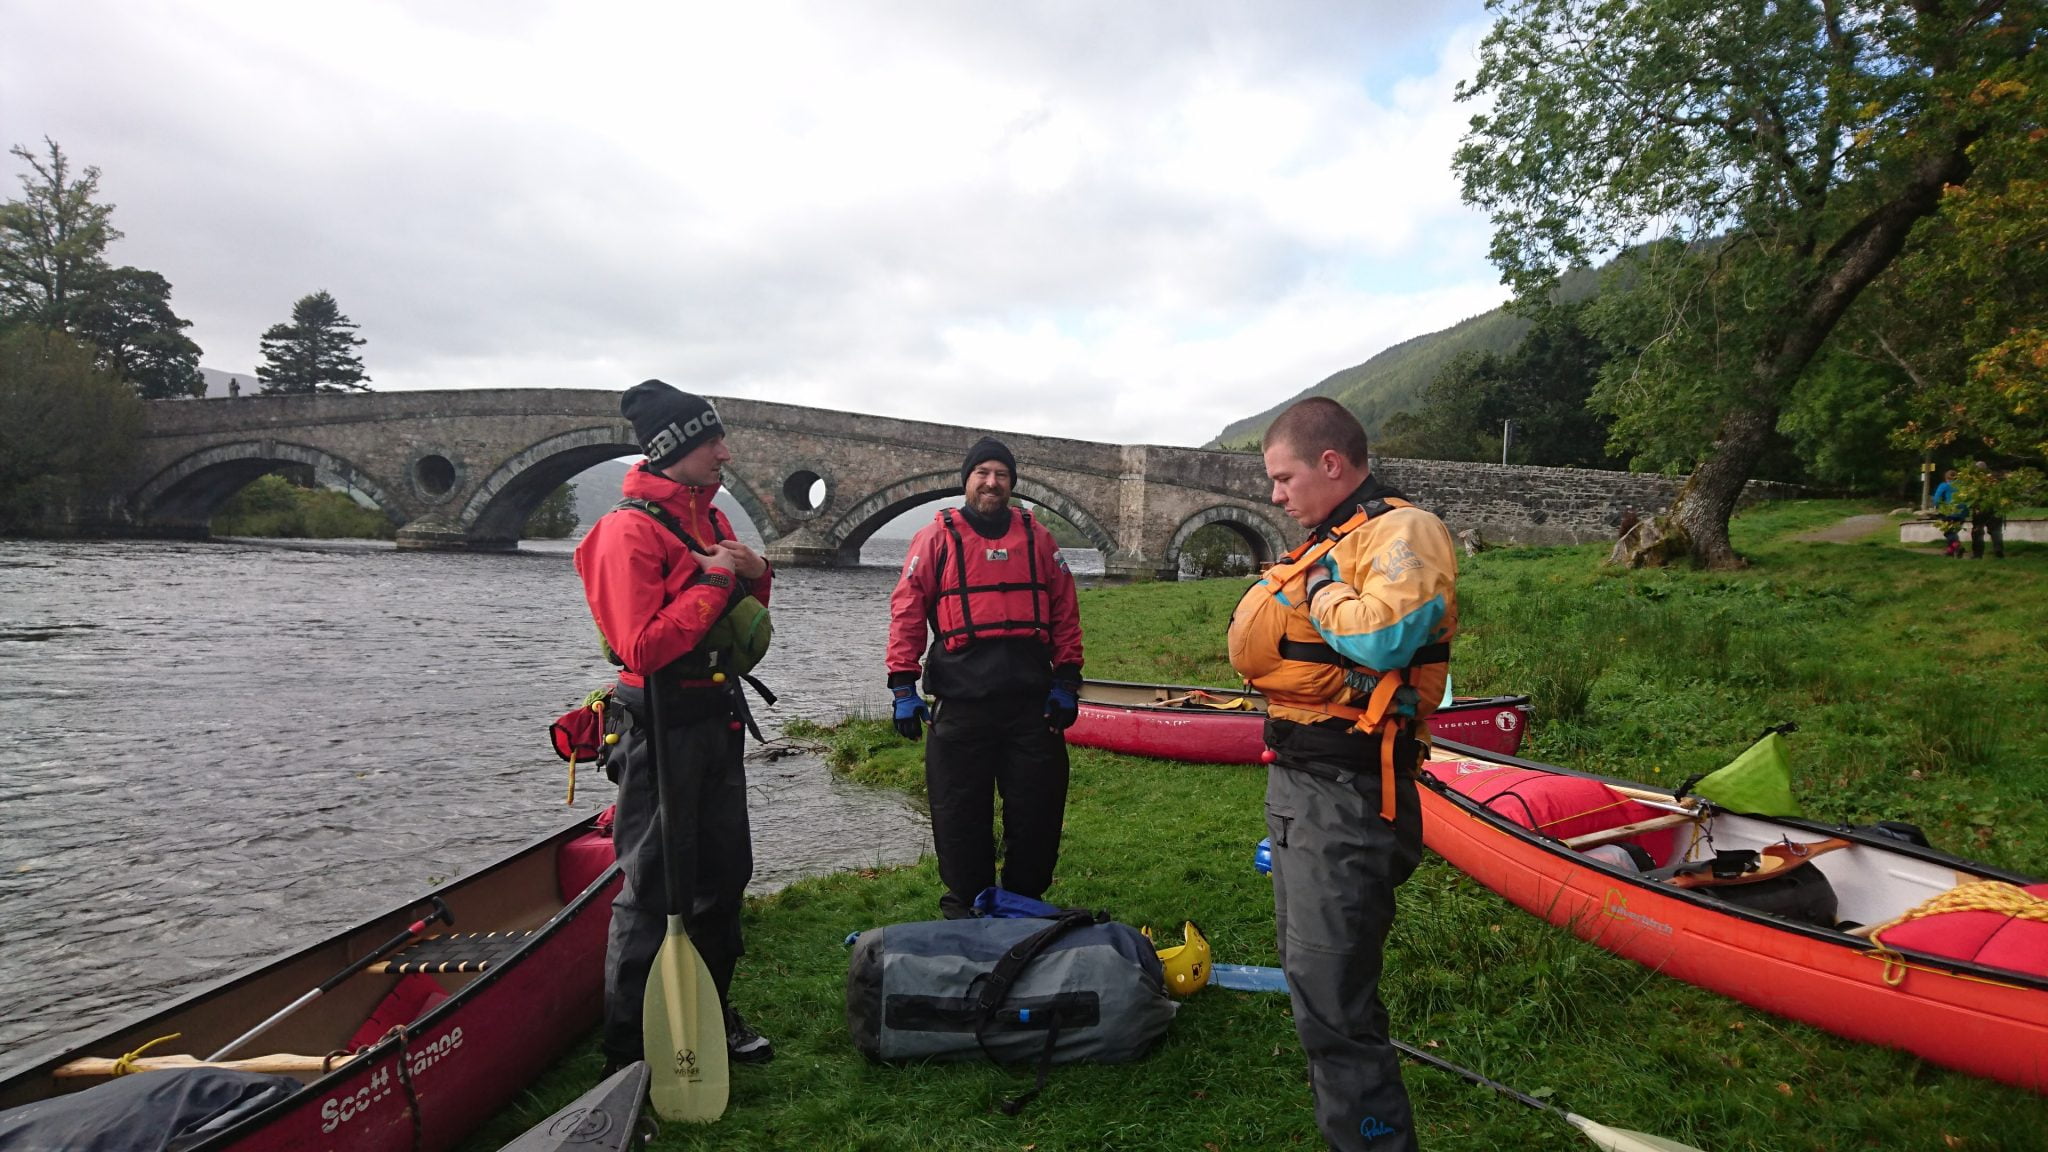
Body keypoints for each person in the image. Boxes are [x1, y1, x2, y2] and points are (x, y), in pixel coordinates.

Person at [1225, 397, 1458, 1152]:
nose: (1274, 496)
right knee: (1313, 985)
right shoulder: (1336, 538)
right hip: (1304, 788)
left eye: (1283, 478)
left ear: (1330, 463)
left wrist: (1322, 588)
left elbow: (1387, 637)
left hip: (1350, 798)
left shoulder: (1403, 532)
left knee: (1333, 1002)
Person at [574, 379, 776, 1076]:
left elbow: (745, 615)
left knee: (725, 874)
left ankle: (708, 1017)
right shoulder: (626, 531)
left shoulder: (710, 519)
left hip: (715, 716)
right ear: (674, 448)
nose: (725, 452)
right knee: (655, 888)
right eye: (712, 440)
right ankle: (628, 1052)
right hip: (658, 723)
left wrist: (755, 571)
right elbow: (642, 646)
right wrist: (717, 581)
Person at [885, 437, 1085, 919]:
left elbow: (1064, 609)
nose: (992, 482)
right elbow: (908, 610)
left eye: (1001, 474)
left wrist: (1066, 680)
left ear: (1012, 483)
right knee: (958, 814)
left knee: (1037, 813)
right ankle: (967, 907)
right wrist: (902, 686)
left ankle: (1023, 904)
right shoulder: (935, 538)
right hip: (962, 704)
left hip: (1030, 706)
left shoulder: (1038, 539)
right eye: (983, 473)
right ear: (967, 481)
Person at [1966, 462, 2006, 560]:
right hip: (1995, 508)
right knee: (1996, 530)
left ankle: (1978, 554)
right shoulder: (1994, 479)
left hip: (1980, 509)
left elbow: (1971, 496)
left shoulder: (1975, 481)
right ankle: (1998, 549)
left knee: (1978, 531)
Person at [1932, 469, 1966, 558]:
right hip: (1962, 512)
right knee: (1953, 532)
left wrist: (1937, 507)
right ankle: (1950, 551)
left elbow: (1937, 498)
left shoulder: (1944, 485)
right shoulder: (1962, 486)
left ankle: (1957, 546)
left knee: (1949, 532)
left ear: (1946, 478)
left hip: (1949, 511)